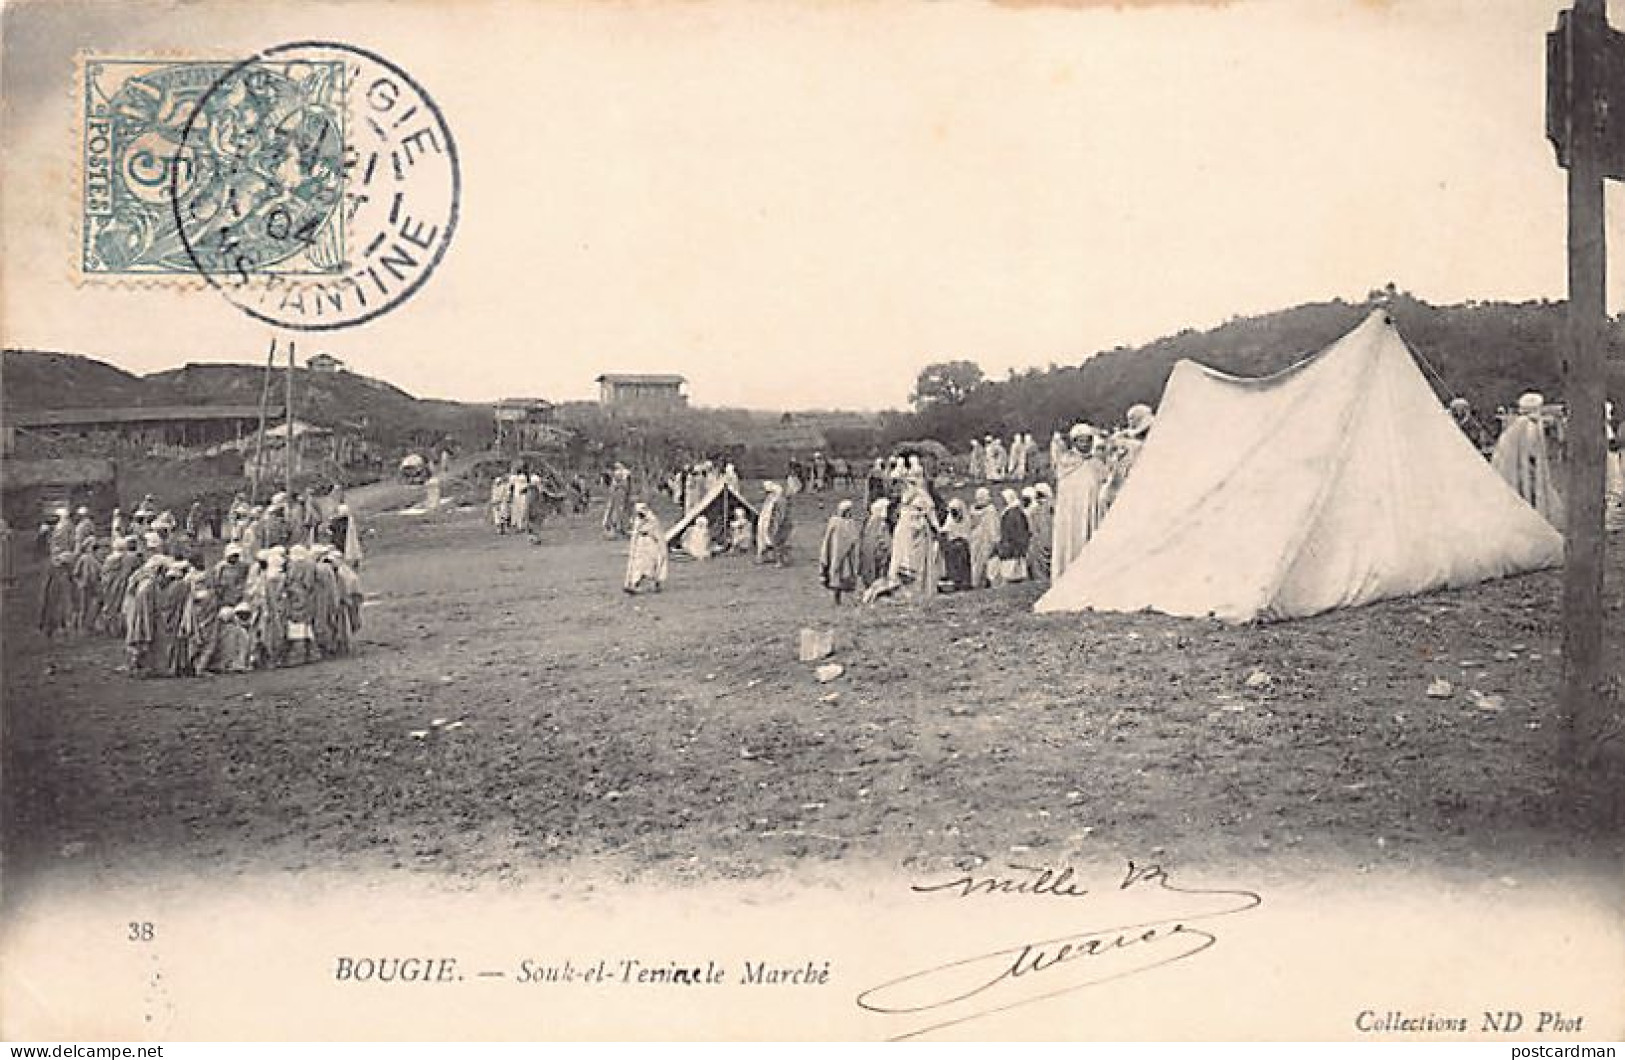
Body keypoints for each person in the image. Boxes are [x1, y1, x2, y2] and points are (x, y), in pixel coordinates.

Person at [1490, 392, 1564, 528]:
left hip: (1520, 467)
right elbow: (1530, 451)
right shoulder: (1529, 425)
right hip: (1524, 469)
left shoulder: (1517, 424)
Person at [1052, 424, 1108, 580]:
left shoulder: (1096, 463)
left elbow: (1104, 483)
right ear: (1074, 442)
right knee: (1073, 542)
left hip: (1093, 512)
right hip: (1072, 516)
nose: (1085, 444)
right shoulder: (1066, 463)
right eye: (1081, 441)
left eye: (1088, 441)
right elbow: (1065, 494)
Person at [818, 499, 861, 603]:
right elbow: (829, 538)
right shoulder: (835, 522)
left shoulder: (850, 522)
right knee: (836, 575)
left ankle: (849, 597)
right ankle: (836, 598)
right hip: (836, 552)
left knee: (846, 575)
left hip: (848, 554)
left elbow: (854, 536)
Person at [624, 503, 669, 593]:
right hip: (641, 544)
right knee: (638, 564)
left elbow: (657, 534)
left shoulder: (653, 520)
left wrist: (660, 547)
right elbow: (636, 533)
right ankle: (634, 583)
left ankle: (654, 584)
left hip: (650, 543)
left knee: (650, 564)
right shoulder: (638, 521)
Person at [991, 488, 1031, 585]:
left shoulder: (1013, 514)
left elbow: (1017, 532)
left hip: (1012, 549)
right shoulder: (1010, 512)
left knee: (1011, 575)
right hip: (1010, 548)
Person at [966, 486, 1000, 589]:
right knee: (984, 561)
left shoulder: (972, 510)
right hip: (985, 539)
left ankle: (976, 582)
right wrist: (996, 540)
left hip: (975, 539)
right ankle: (982, 582)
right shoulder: (990, 510)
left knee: (976, 562)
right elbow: (993, 527)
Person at [39, 552, 77, 638]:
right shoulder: (52, 569)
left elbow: (72, 578)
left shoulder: (66, 569)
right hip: (54, 591)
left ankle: (62, 627)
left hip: (64, 591)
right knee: (53, 609)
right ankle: (51, 628)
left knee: (65, 609)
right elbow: (47, 582)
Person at [939, 499, 974, 591]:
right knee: (953, 565)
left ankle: (964, 582)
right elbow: (946, 529)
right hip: (953, 545)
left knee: (962, 564)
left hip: (962, 545)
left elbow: (966, 531)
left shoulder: (965, 518)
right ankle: (955, 582)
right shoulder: (950, 519)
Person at [757, 482, 793, 566]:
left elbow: (781, 514)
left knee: (778, 542)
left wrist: (776, 523)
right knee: (772, 541)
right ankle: (776, 558)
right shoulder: (770, 500)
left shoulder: (779, 501)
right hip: (769, 523)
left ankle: (782, 561)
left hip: (779, 524)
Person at [858, 497, 891, 586]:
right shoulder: (880, 523)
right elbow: (883, 539)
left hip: (872, 551)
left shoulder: (870, 522)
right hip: (876, 552)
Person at [1024, 485, 1053, 582]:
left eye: (1041, 495)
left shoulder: (1052, 508)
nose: (1040, 499)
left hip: (1050, 538)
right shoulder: (1035, 510)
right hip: (1038, 540)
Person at [214, 605, 254, 673]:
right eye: (241, 615)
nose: (243, 617)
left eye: (245, 615)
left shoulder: (242, 631)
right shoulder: (239, 631)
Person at [602, 463, 633, 538]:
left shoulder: (623, 476)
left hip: (621, 496)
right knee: (616, 511)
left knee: (623, 511)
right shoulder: (616, 481)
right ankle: (615, 528)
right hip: (617, 496)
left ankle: (622, 528)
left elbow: (626, 486)